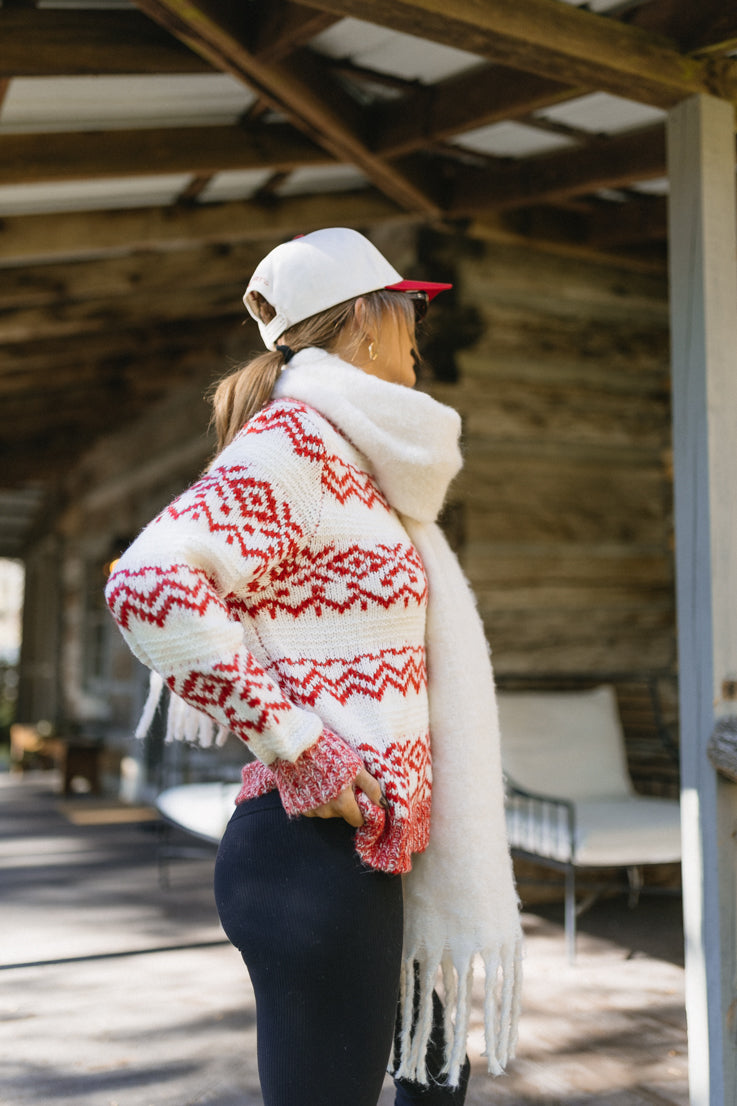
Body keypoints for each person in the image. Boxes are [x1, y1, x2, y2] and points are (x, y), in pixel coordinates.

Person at [105, 227, 522, 1106]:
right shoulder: (298, 446)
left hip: (372, 855)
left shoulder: (360, 463)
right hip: (313, 854)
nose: (418, 334)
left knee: (435, 1085)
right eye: (408, 312)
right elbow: (149, 583)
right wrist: (302, 747)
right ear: (366, 318)